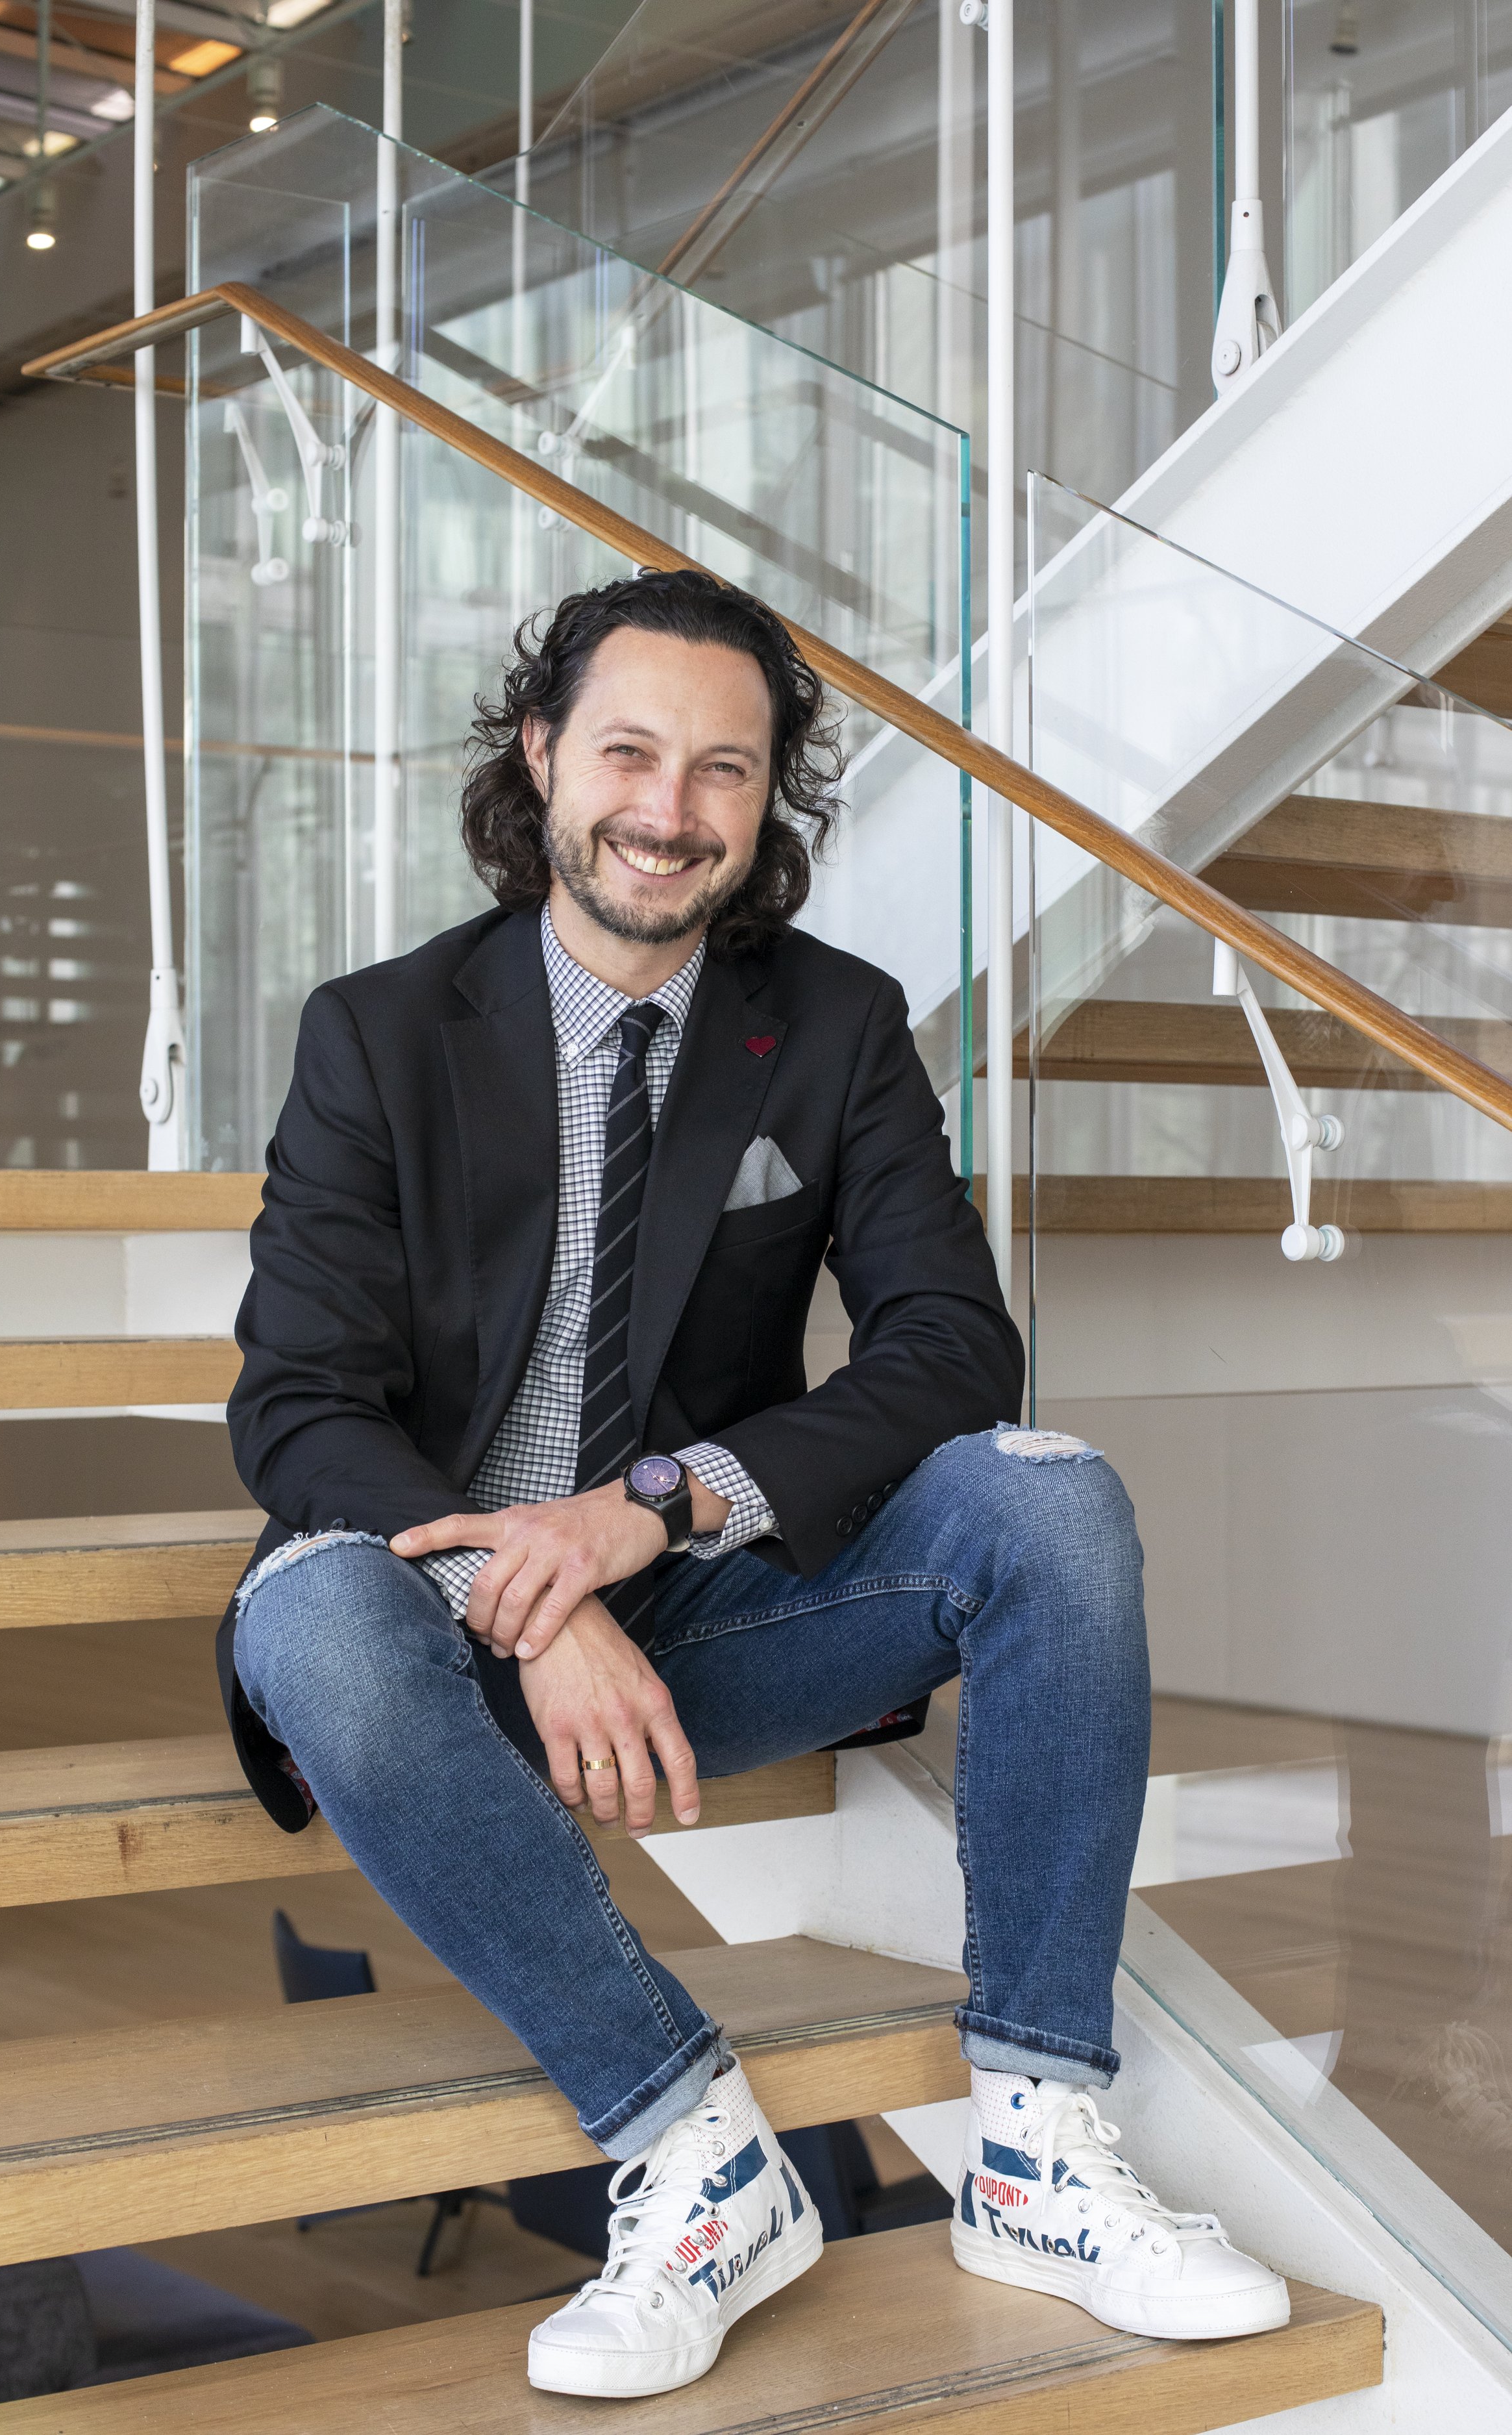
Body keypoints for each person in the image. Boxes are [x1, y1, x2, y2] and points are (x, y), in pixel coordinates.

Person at [218, 568, 1289, 2398]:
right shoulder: (380, 1035)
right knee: (303, 1611)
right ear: (543, 754)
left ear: (767, 798)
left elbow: (953, 1347)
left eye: (724, 769)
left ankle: (1034, 2141)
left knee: (1043, 1493)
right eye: (629, 751)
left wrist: (652, 1508)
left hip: (708, 1595)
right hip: (432, 1626)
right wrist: (522, 1594)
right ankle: (691, 2152)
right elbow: (300, 1403)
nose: (668, 808)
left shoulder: (838, 1023)